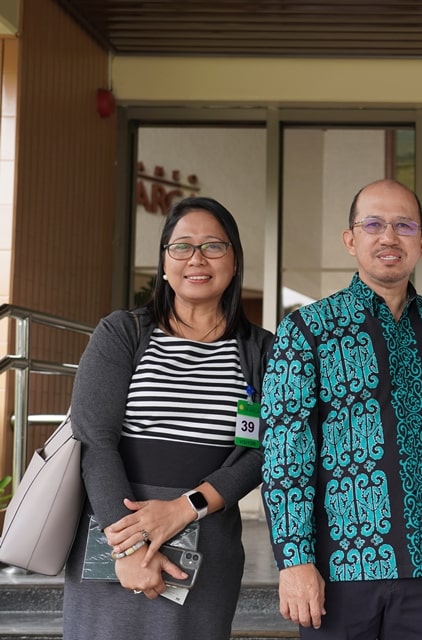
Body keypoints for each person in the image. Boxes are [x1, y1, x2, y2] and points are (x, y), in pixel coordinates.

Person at [260, 179, 422, 639]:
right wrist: (294, 559)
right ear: (351, 240)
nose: (389, 237)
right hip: (339, 569)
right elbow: (286, 449)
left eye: (404, 225)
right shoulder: (308, 329)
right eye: (373, 224)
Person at [63, 197, 273, 639]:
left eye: (214, 246)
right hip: (113, 529)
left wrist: (185, 507)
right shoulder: (123, 332)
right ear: (164, 262)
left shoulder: (262, 351)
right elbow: (95, 441)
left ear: (235, 261)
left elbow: (265, 449)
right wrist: (128, 548)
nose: (197, 258)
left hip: (208, 535)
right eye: (182, 247)